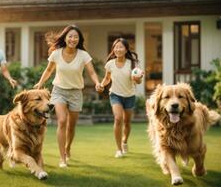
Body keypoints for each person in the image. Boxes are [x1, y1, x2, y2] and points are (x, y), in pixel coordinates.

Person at [34, 25, 102, 167]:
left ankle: (68, 147)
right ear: (65, 38)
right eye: (70, 36)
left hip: (76, 93)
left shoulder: (83, 55)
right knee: (62, 121)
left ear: (79, 39)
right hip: (59, 91)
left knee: (71, 126)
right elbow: (48, 71)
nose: (73, 39)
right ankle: (62, 158)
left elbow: (92, 72)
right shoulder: (56, 53)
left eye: (76, 37)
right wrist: (40, 83)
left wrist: (97, 83)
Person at [98, 38, 143, 158]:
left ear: (126, 49)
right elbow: (107, 78)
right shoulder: (110, 64)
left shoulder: (132, 64)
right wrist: (102, 85)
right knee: (118, 119)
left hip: (129, 95)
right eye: (116, 47)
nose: (118, 49)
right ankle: (118, 149)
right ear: (113, 49)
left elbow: (138, 82)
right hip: (115, 94)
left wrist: (137, 79)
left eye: (121, 47)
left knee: (127, 123)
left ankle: (124, 142)